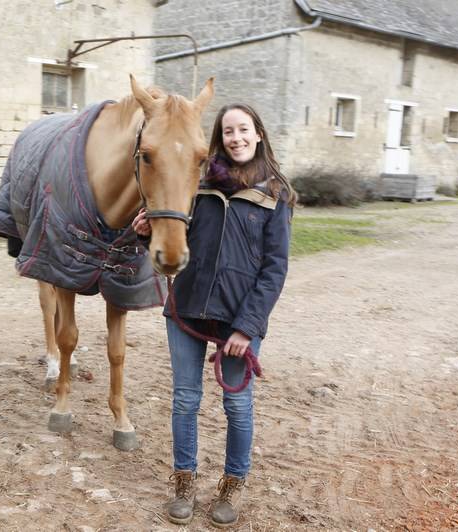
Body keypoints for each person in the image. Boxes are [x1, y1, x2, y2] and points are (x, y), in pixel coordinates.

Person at [132, 103, 296, 528]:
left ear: (258, 134)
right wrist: (148, 228)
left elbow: (274, 269)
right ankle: (184, 483)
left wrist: (248, 326)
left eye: (243, 129)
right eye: (228, 131)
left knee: (237, 405)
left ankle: (231, 486)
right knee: (185, 400)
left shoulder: (275, 194)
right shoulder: (197, 182)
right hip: (187, 305)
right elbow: (172, 225)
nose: (236, 138)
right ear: (217, 138)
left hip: (237, 318)